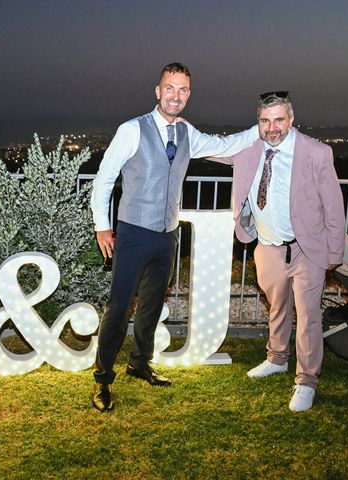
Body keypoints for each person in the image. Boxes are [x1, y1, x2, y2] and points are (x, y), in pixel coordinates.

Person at [89, 63, 260, 412]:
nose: (176, 96)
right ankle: (103, 379)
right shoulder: (131, 130)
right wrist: (102, 226)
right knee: (119, 309)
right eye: (170, 88)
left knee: (151, 306)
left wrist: (263, 128)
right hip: (133, 233)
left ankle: (140, 363)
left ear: (188, 95)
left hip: (167, 236)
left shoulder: (186, 133)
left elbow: (225, 144)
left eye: (183, 90)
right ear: (158, 90)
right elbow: (104, 179)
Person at [209, 91, 345, 412]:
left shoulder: (315, 153)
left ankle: (307, 381)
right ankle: (277, 358)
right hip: (266, 246)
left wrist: (333, 253)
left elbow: (334, 206)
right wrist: (178, 132)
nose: (272, 128)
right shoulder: (249, 149)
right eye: (265, 120)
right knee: (277, 307)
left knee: (309, 316)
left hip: (305, 249)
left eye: (279, 120)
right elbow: (211, 149)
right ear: (258, 121)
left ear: (291, 120)